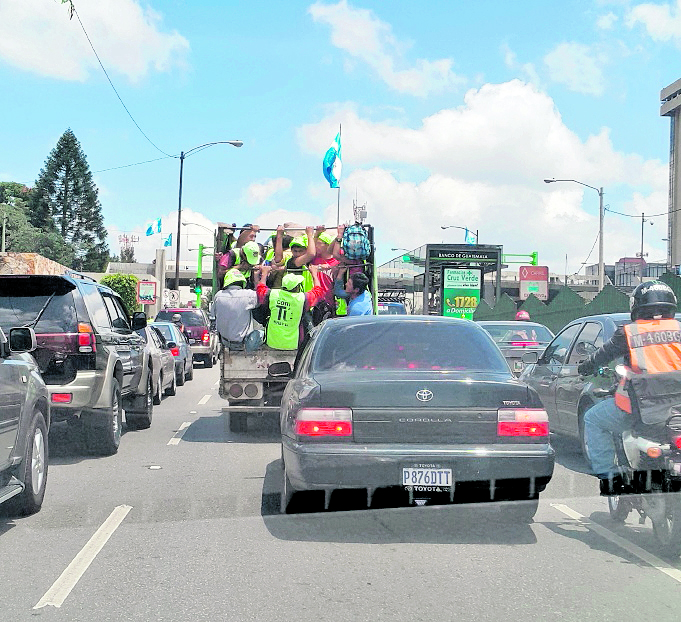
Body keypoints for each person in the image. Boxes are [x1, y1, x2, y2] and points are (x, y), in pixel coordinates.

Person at [577, 280, 681, 495]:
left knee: (592, 419)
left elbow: (601, 356)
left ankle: (610, 479)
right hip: (677, 411)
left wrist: (585, 367)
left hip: (643, 410)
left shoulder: (629, 332)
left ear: (636, 306)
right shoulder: (679, 329)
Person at [255, 263, 323, 350]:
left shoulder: (273, 294)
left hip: (272, 342)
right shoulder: (301, 299)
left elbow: (260, 289)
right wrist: (314, 274)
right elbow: (318, 292)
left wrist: (264, 273)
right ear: (297, 287)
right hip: (292, 344)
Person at [213, 268, 262, 351]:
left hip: (225, 341)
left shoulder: (218, 296)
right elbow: (261, 296)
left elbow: (213, 314)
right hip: (244, 343)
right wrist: (257, 278)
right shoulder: (249, 295)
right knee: (262, 331)